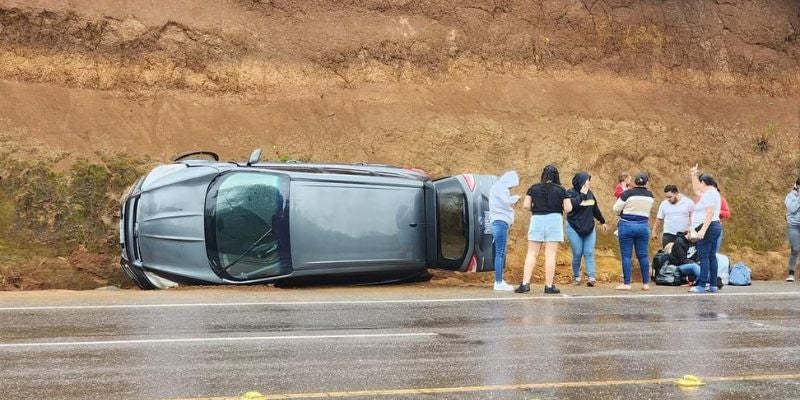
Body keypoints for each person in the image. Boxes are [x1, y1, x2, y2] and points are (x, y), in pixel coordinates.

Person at [515, 165, 573, 294]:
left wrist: (536, 208)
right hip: (554, 220)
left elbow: (525, 206)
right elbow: (568, 209)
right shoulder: (561, 190)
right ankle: (549, 286)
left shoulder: (533, 188)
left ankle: (525, 284)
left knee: (531, 253)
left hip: (537, 219)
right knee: (550, 255)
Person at [612, 171, 655, 290]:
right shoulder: (650, 195)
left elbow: (616, 209)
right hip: (643, 226)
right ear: (647, 182)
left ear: (635, 181)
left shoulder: (627, 194)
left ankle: (627, 284)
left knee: (626, 256)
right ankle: (646, 284)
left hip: (626, 226)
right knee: (643, 255)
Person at [566, 171, 608, 287]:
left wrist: (602, 221)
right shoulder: (570, 193)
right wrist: (582, 195)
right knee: (578, 253)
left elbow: (595, 209)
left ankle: (591, 277)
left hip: (589, 227)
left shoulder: (590, 193)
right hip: (574, 227)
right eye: (586, 182)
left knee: (589, 252)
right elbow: (571, 206)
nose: (588, 185)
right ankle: (576, 277)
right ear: (580, 182)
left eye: (588, 183)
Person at [688, 165, 723, 293]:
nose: (699, 185)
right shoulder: (713, 192)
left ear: (704, 183)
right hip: (715, 226)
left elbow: (709, 212)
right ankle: (713, 285)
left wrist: (702, 230)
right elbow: (696, 189)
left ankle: (702, 285)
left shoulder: (709, 194)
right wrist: (693, 174)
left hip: (708, 226)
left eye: (700, 182)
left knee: (704, 256)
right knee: (711, 256)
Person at [489, 171, 521, 291]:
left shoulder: (496, 187)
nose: (511, 188)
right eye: (512, 185)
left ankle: (499, 280)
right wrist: (516, 198)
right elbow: (507, 201)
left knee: (499, 252)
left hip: (498, 223)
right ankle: (498, 282)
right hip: (500, 223)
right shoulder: (500, 188)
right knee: (500, 253)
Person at [786, 177, 800, 282]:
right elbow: (792, 208)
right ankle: (791, 274)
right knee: (795, 249)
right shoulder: (790, 196)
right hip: (794, 226)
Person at [713, 182, 731, 251]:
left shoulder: (721, 200)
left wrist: (718, 212)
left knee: (715, 252)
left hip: (716, 228)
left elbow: (727, 213)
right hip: (702, 229)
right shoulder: (702, 199)